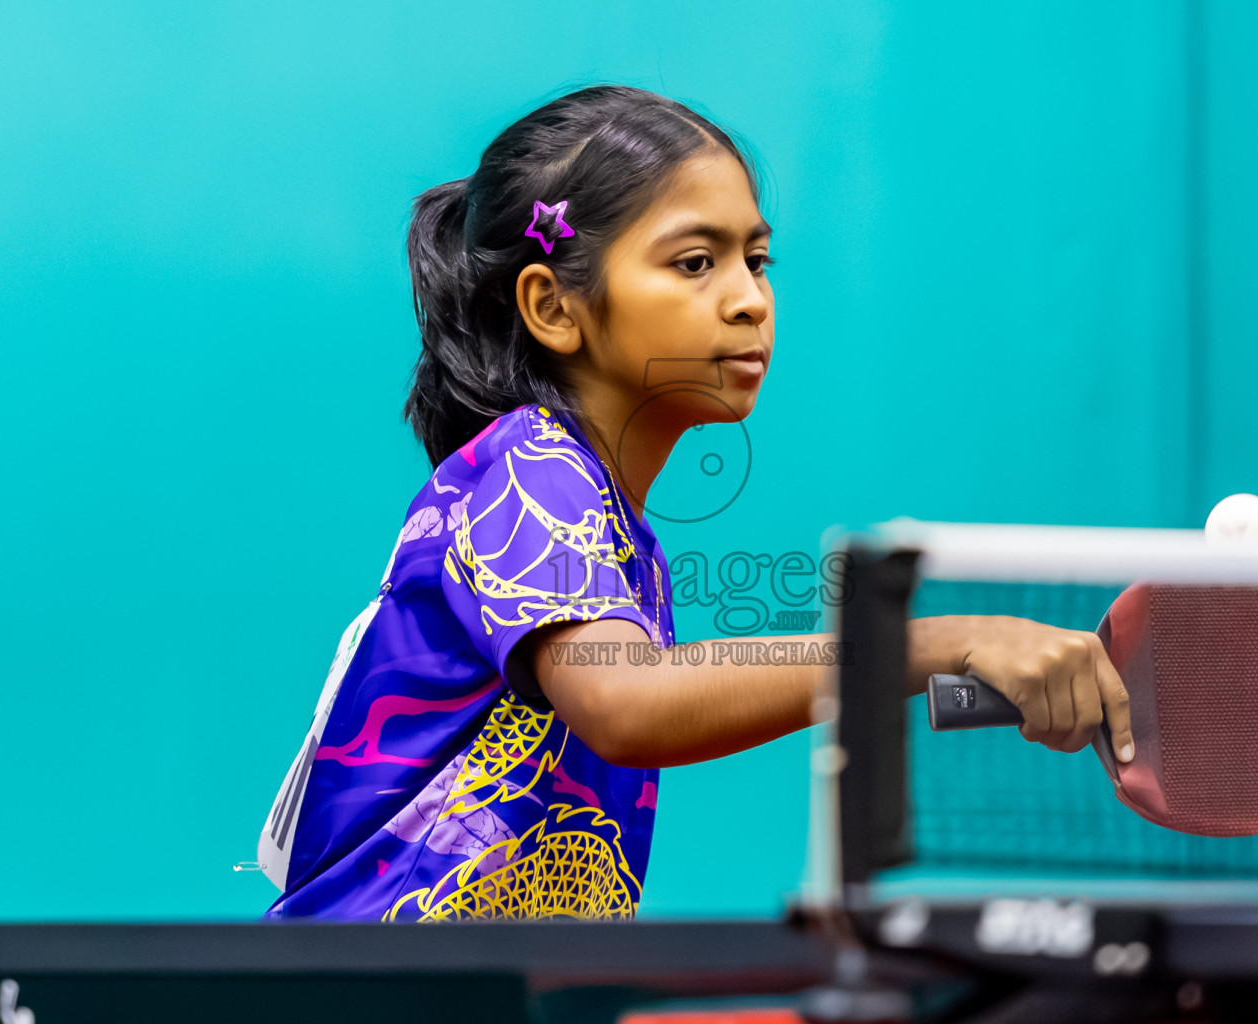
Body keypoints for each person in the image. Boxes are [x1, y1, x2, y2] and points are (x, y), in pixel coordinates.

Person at [258, 85, 1135, 922]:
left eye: (757, 260)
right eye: (694, 263)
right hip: (367, 981)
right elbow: (629, 704)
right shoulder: (528, 469)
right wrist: (935, 643)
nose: (751, 300)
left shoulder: (613, 534)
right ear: (554, 307)